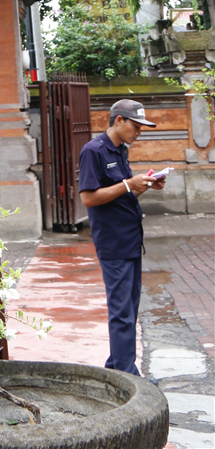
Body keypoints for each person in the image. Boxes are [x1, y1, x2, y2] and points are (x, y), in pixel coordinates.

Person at [78, 98, 167, 376]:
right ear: (119, 121)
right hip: (113, 242)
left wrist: (144, 186)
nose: (138, 132)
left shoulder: (120, 150)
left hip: (130, 239)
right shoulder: (94, 151)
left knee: (130, 307)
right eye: (136, 126)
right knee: (121, 311)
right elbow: (88, 198)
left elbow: (121, 195)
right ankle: (128, 374)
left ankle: (117, 366)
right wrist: (128, 184)